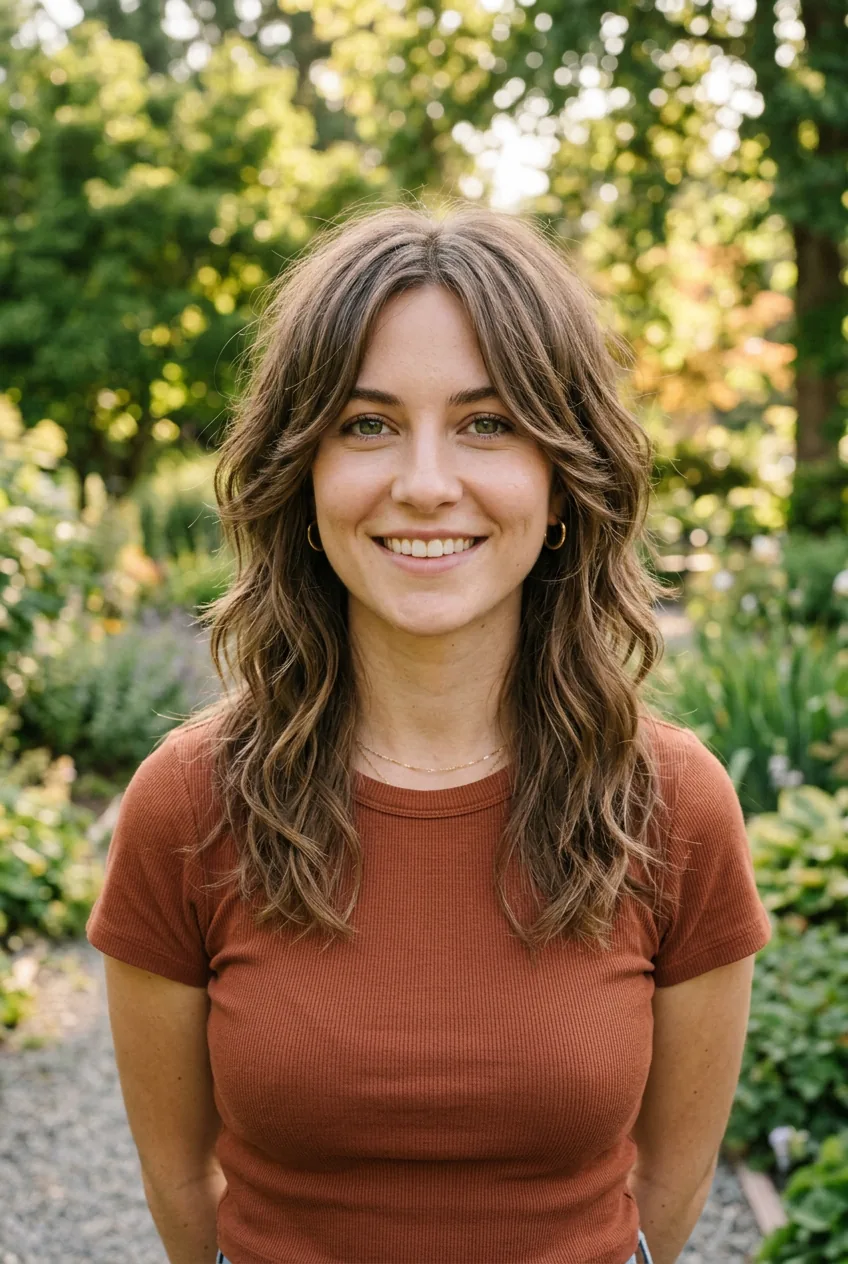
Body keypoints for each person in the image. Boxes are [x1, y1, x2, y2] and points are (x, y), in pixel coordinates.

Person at [86, 202, 772, 1264]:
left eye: (486, 423)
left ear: (563, 478)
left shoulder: (675, 805)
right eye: (366, 425)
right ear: (302, 473)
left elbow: (668, 1187)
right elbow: (181, 1181)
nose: (423, 483)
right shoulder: (187, 802)